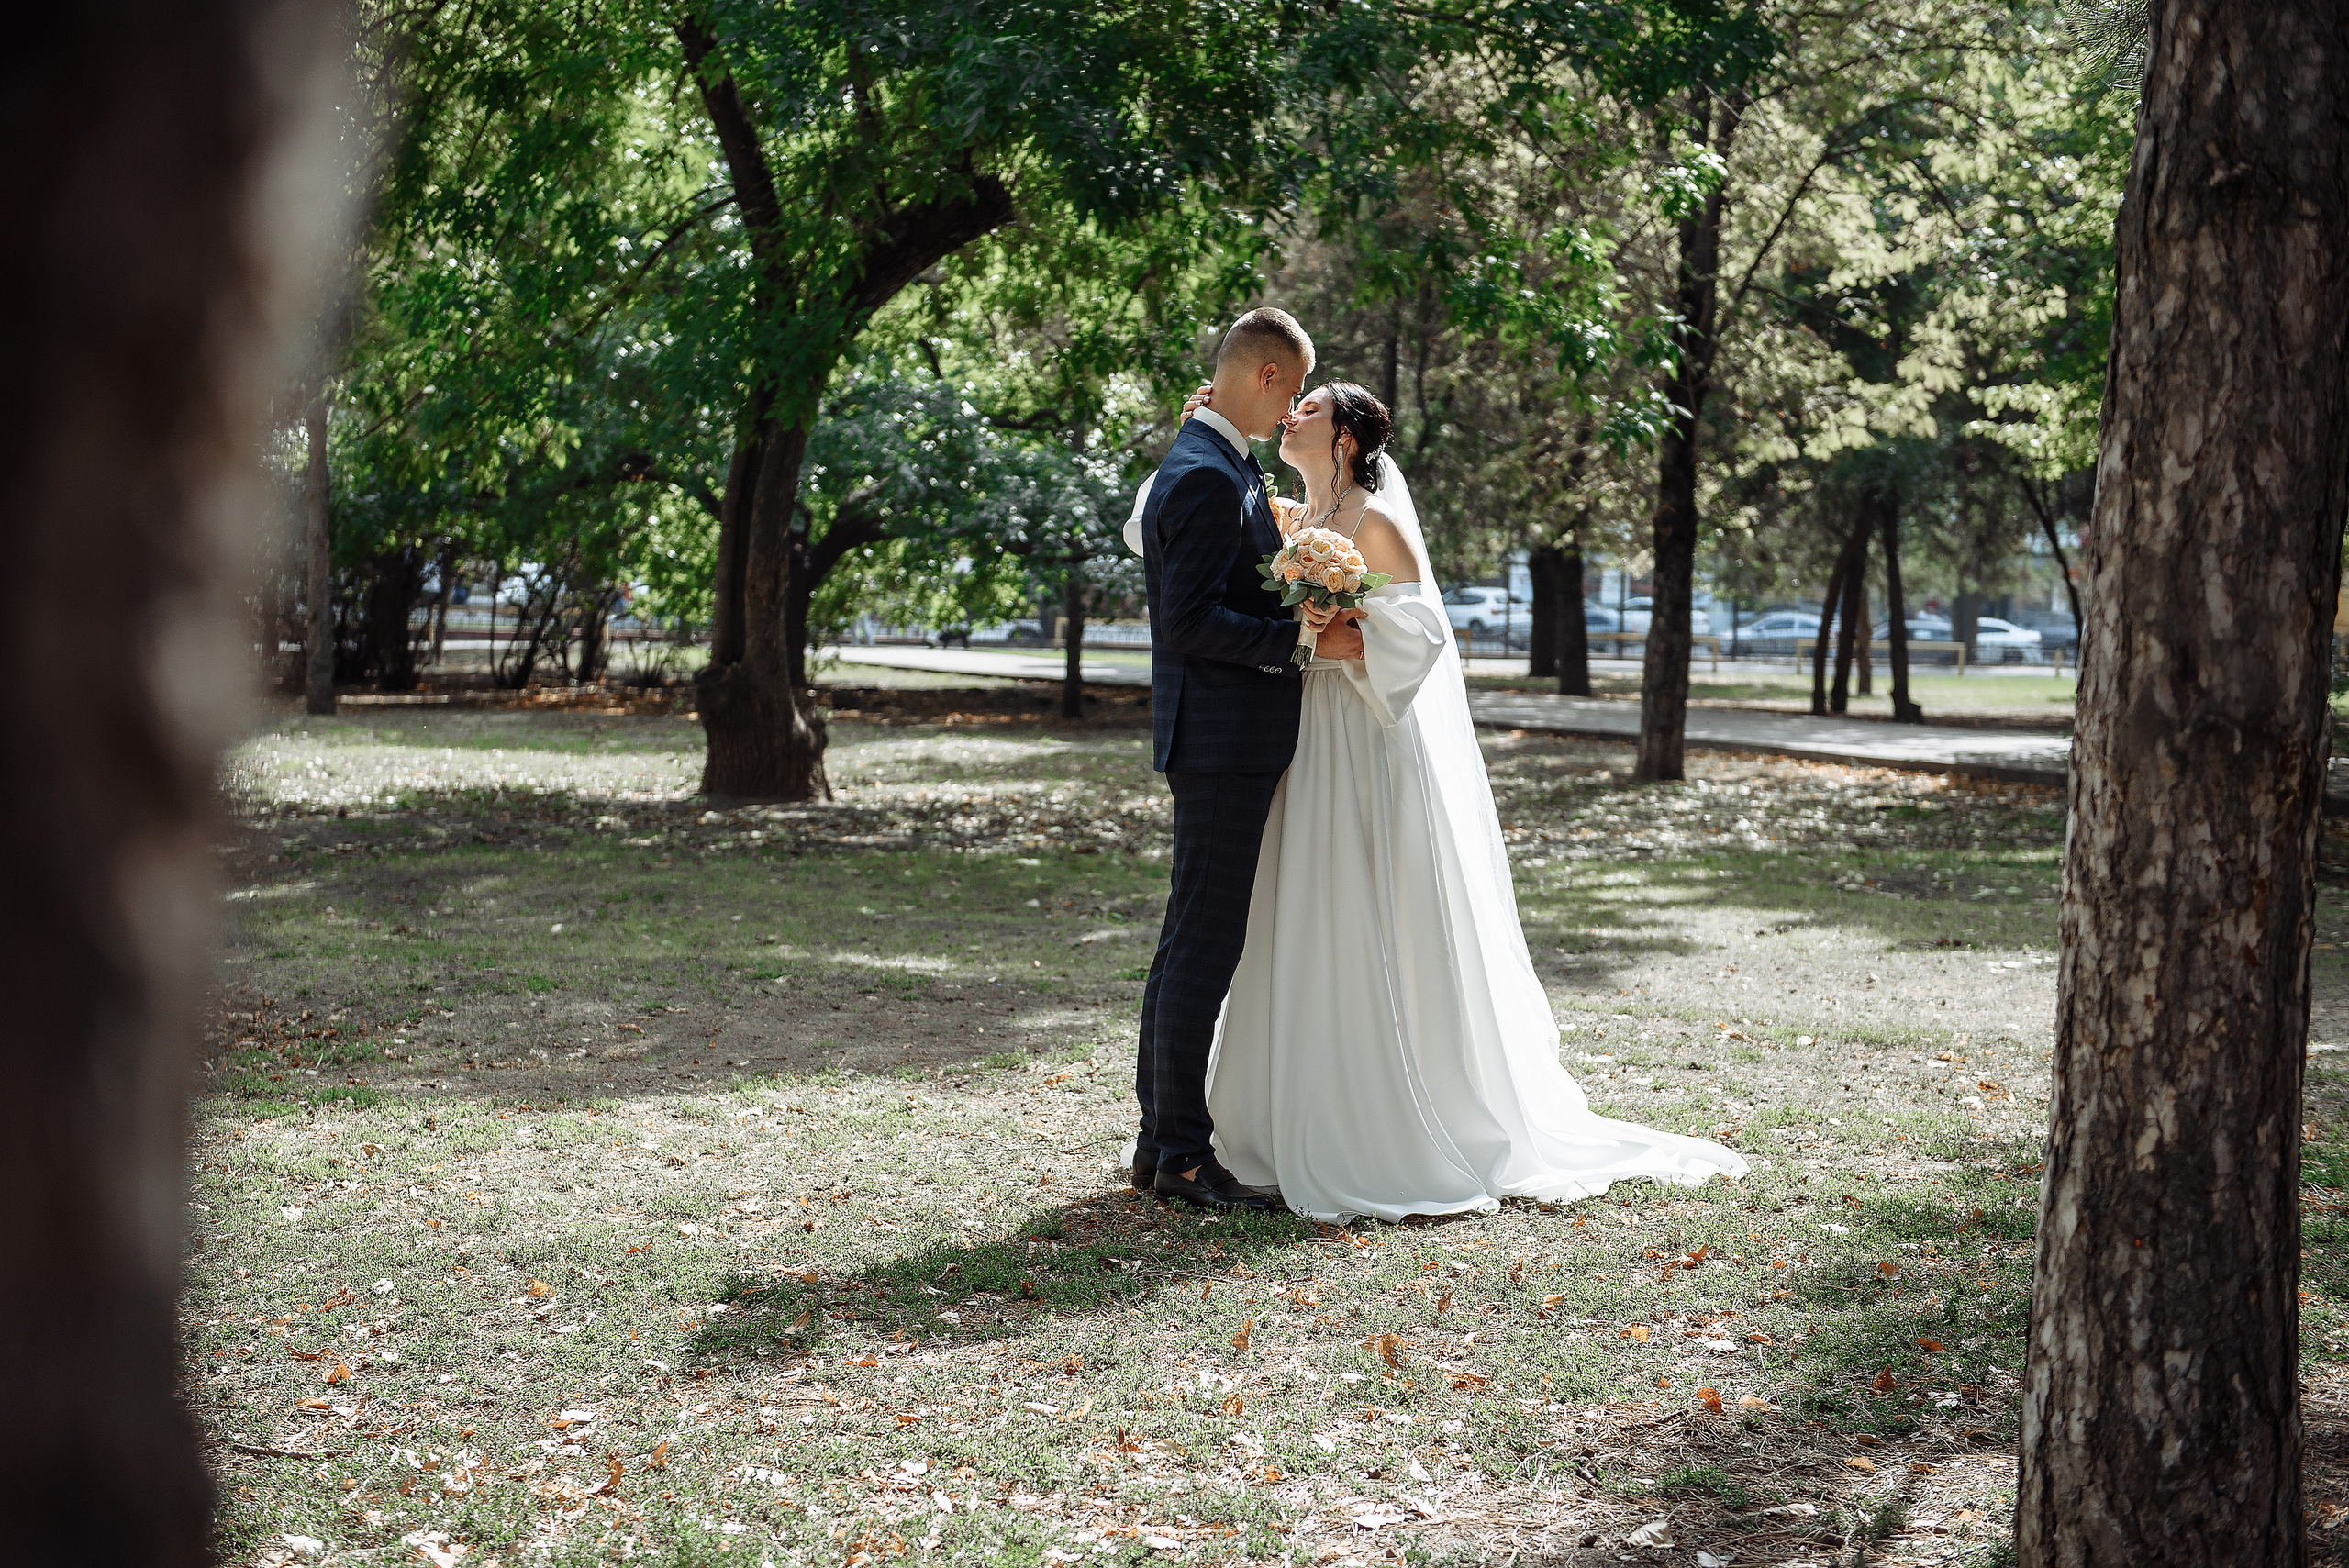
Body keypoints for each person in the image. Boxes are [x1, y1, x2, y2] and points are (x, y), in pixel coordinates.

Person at [1159, 377, 1749, 1222]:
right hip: (1299, 736)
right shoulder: (1292, 516)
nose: (1291, 416)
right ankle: (1272, 1113)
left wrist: (1338, 629)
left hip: (1361, 736)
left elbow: (1420, 633)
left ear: (1348, 440)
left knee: (1358, 905)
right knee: (1293, 911)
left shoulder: (1376, 521)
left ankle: (1379, 1115)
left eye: (1312, 408)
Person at [1129, 308, 1362, 1212]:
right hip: (1221, 742)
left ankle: (1162, 1141)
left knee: (1188, 938)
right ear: (1266, 376)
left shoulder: (1214, 458)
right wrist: (1299, 642)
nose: (1294, 406)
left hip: (1222, 739)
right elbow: (1183, 622)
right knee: (1201, 944)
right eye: (1293, 388)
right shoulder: (1198, 471)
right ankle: (1181, 1151)